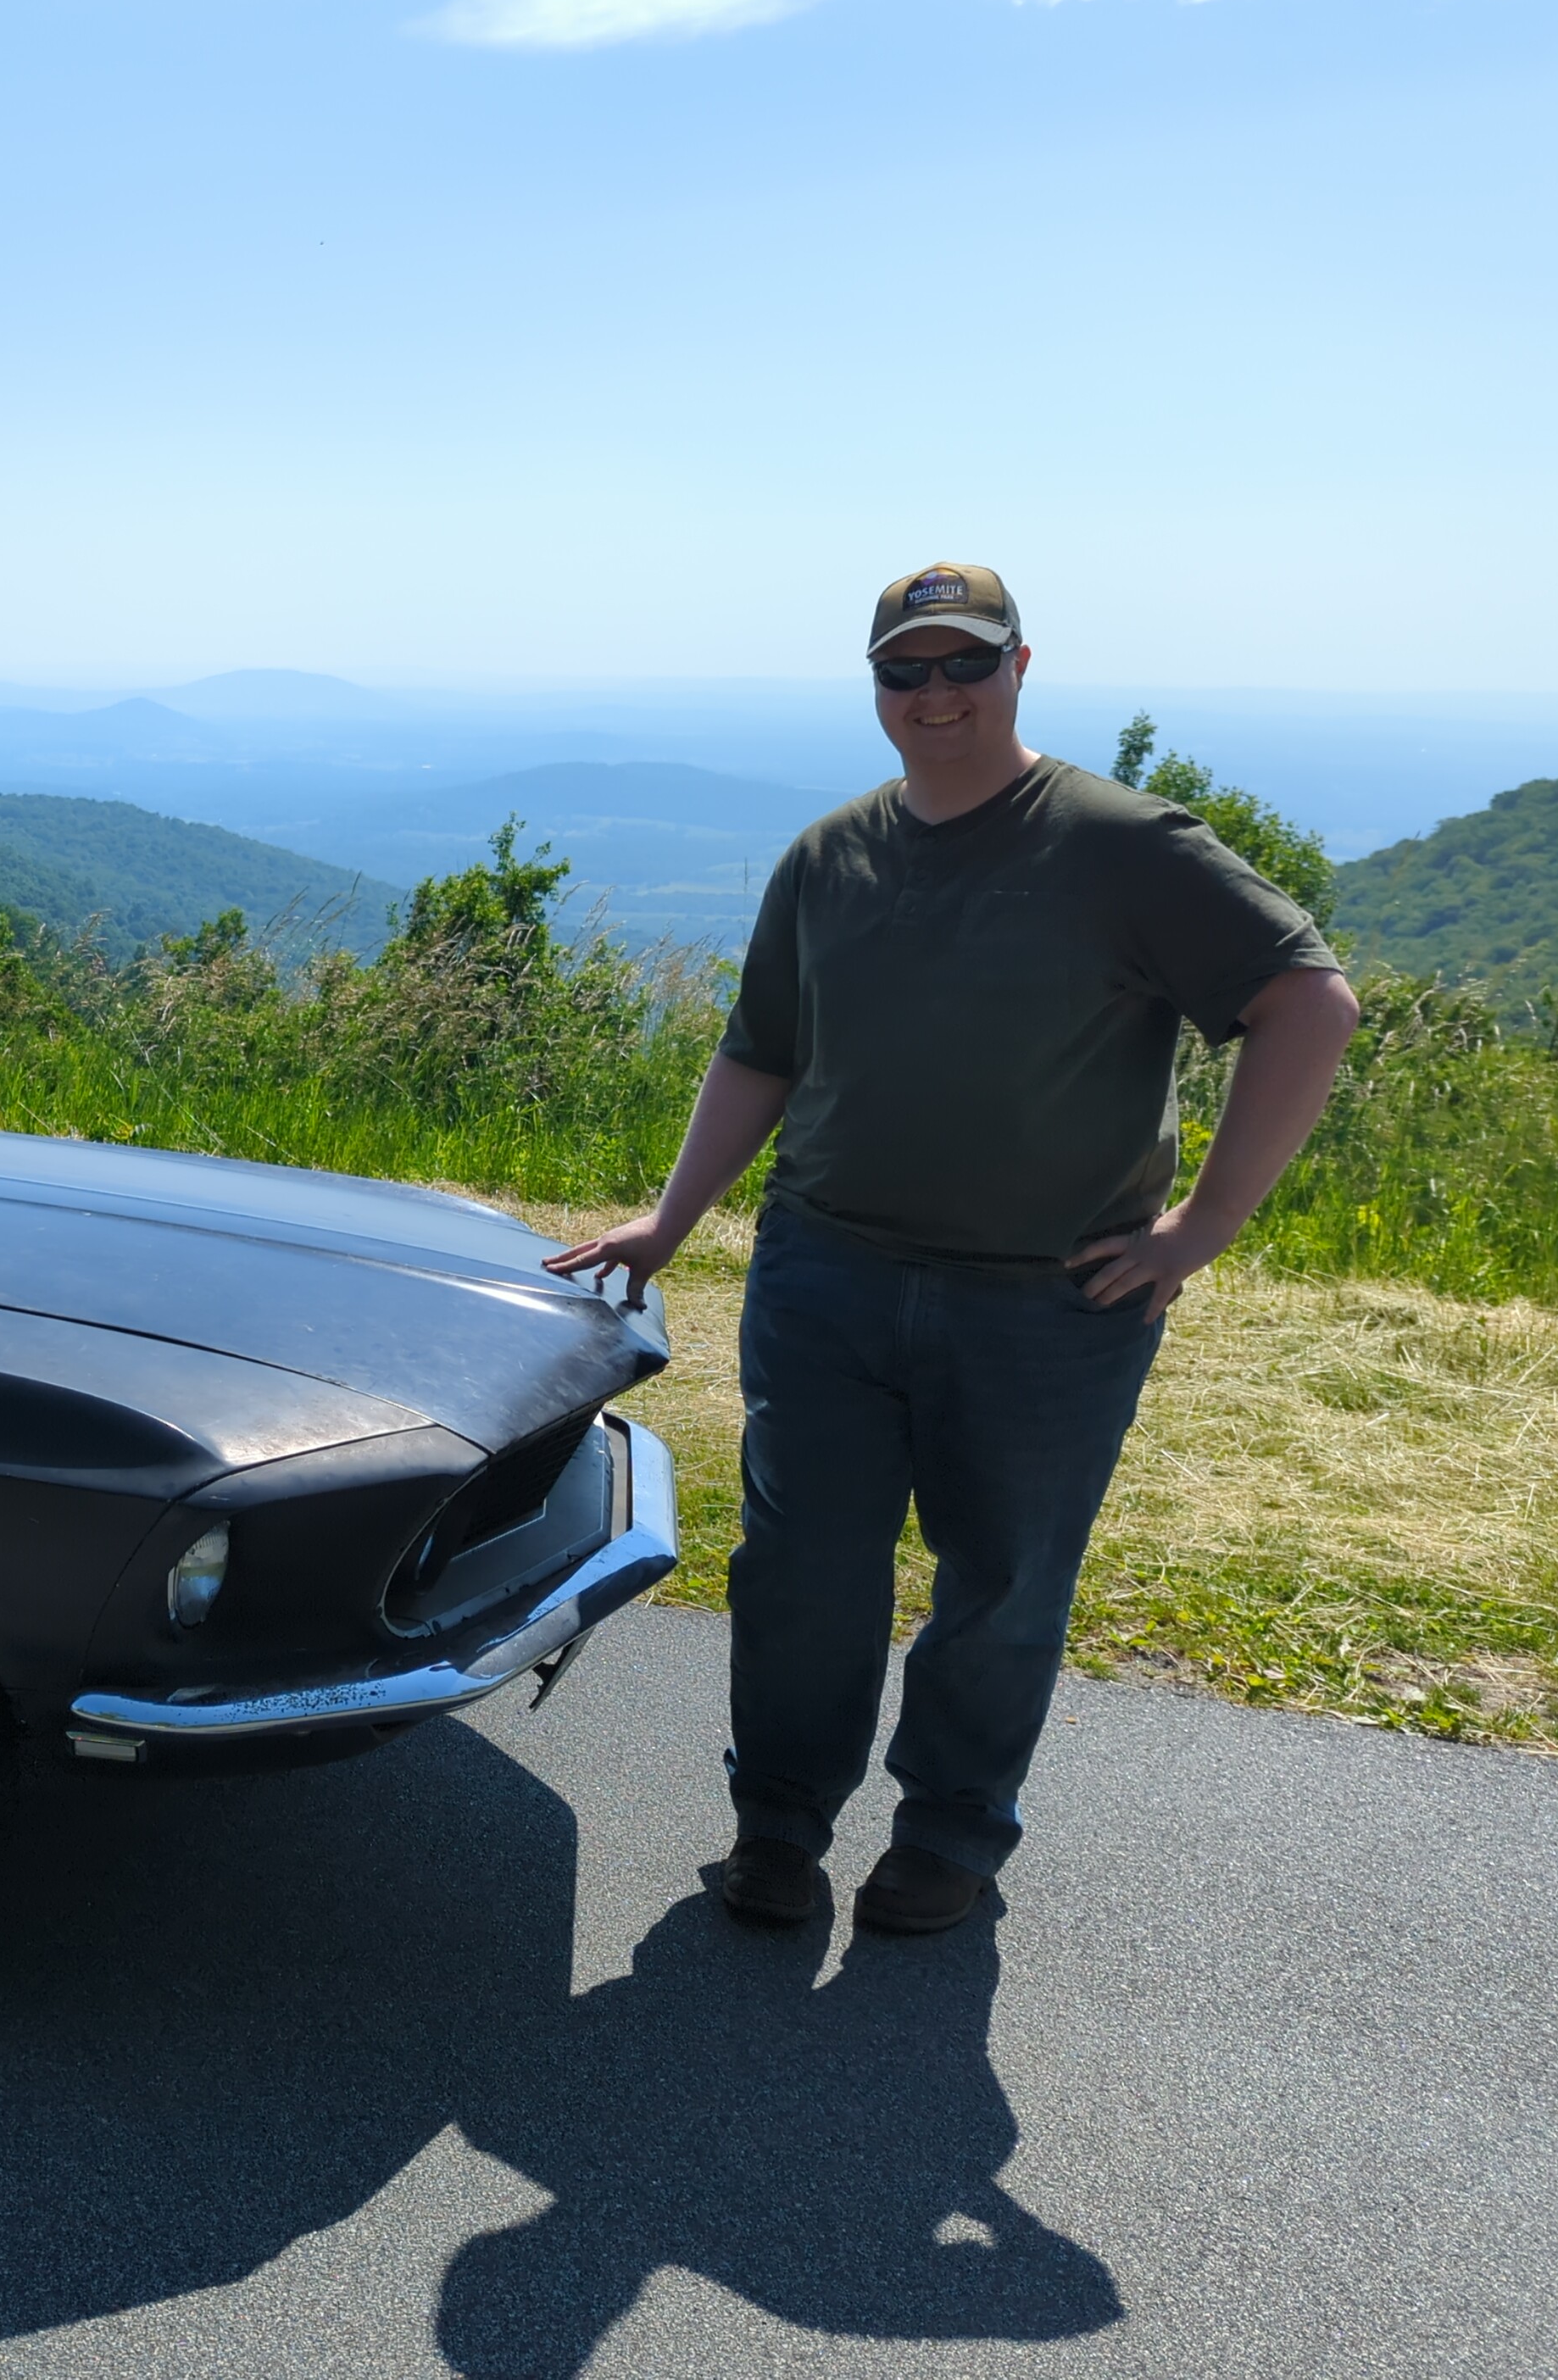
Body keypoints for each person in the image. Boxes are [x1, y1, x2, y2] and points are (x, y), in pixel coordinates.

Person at [543, 563, 1359, 1934]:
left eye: (963, 665)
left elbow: (1308, 1004)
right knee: (802, 1577)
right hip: (826, 1277)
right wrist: (670, 1217)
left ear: (1021, 667)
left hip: (1050, 1303)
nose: (935, 696)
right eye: (903, 672)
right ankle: (779, 1827)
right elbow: (762, 1053)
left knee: (1003, 1587)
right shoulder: (829, 855)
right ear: (876, 687)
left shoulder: (1125, 844)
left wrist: (1202, 1228)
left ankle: (951, 1842)